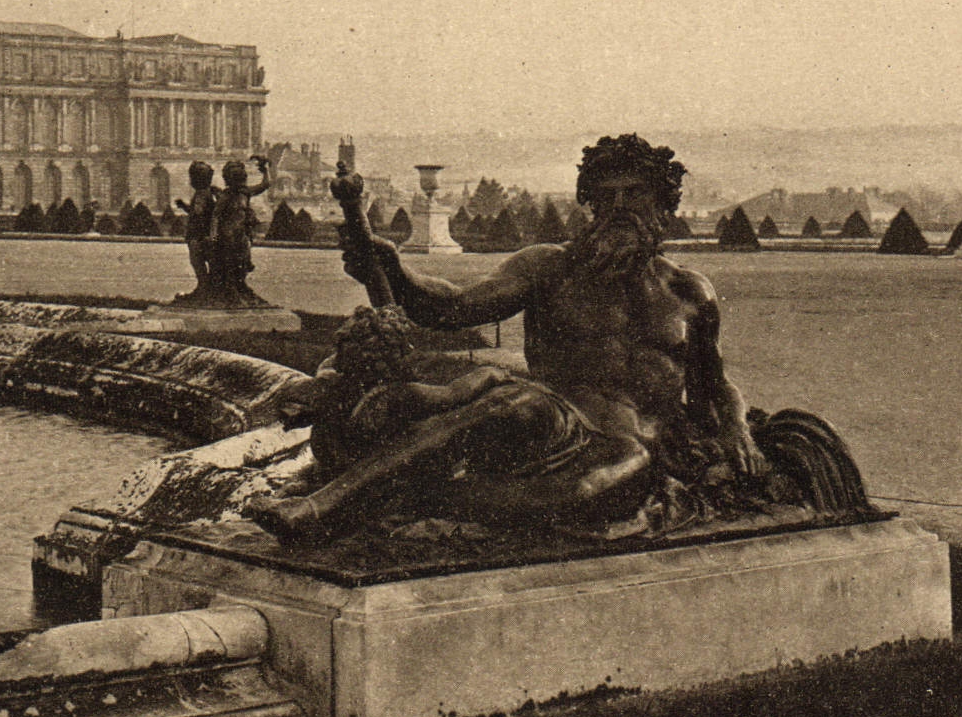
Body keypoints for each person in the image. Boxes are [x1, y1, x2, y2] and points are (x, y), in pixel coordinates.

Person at [246, 134, 767, 541]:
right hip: (552, 416)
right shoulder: (549, 268)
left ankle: (409, 499)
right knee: (515, 403)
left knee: (606, 479)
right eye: (606, 196)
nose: (619, 207)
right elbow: (451, 307)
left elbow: (713, 385)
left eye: (635, 194)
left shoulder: (689, 293)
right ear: (588, 204)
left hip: (634, 443)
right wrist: (397, 272)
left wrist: (738, 427)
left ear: (663, 203)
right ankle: (321, 508)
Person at [212, 155, 270, 300]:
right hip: (228, 233)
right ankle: (230, 287)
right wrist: (213, 234)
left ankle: (240, 285)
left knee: (243, 259)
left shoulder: (245, 193)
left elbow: (265, 184)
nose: (243, 182)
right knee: (230, 261)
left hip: (241, 233)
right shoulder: (225, 196)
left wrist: (265, 170)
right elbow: (216, 215)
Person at [172, 161, 219, 298]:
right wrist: (185, 207)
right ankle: (206, 288)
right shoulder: (207, 193)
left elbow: (197, 213)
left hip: (198, 235)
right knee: (208, 262)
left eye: (192, 177)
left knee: (197, 261)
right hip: (203, 234)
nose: (190, 180)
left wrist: (186, 208)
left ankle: (203, 288)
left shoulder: (201, 194)